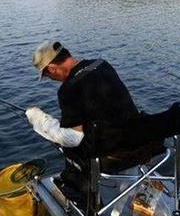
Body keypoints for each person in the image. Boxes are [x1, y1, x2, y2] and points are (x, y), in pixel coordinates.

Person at [26, 40, 140, 210]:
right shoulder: (101, 64)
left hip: (114, 157)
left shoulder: (68, 89)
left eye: (48, 76)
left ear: (52, 68)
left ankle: (91, 204)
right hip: (141, 142)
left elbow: (72, 138)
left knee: (71, 149)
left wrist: (39, 119)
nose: (51, 79)